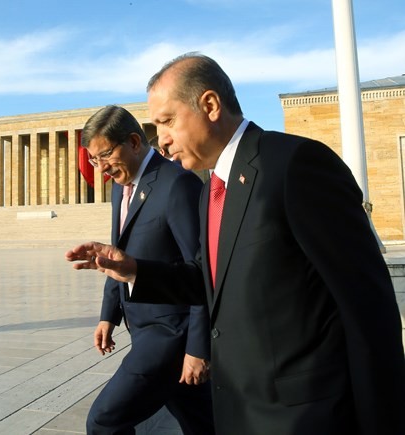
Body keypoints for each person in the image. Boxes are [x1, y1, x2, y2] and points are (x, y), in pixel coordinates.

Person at [67, 53, 405, 435]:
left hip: (303, 416)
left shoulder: (294, 166)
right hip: (239, 410)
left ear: (209, 105)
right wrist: (133, 270)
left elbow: (368, 309)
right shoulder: (209, 190)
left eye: (166, 121)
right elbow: (207, 281)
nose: (159, 140)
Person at [80, 105, 213, 434]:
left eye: (105, 156)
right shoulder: (119, 186)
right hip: (142, 329)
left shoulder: (177, 184)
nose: (101, 168)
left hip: (169, 334)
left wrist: (198, 348)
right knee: (203, 423)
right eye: (94, 160)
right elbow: (118, 252)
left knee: (104, 421)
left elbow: (201, 271)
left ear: (135, 142)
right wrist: (108, 314)